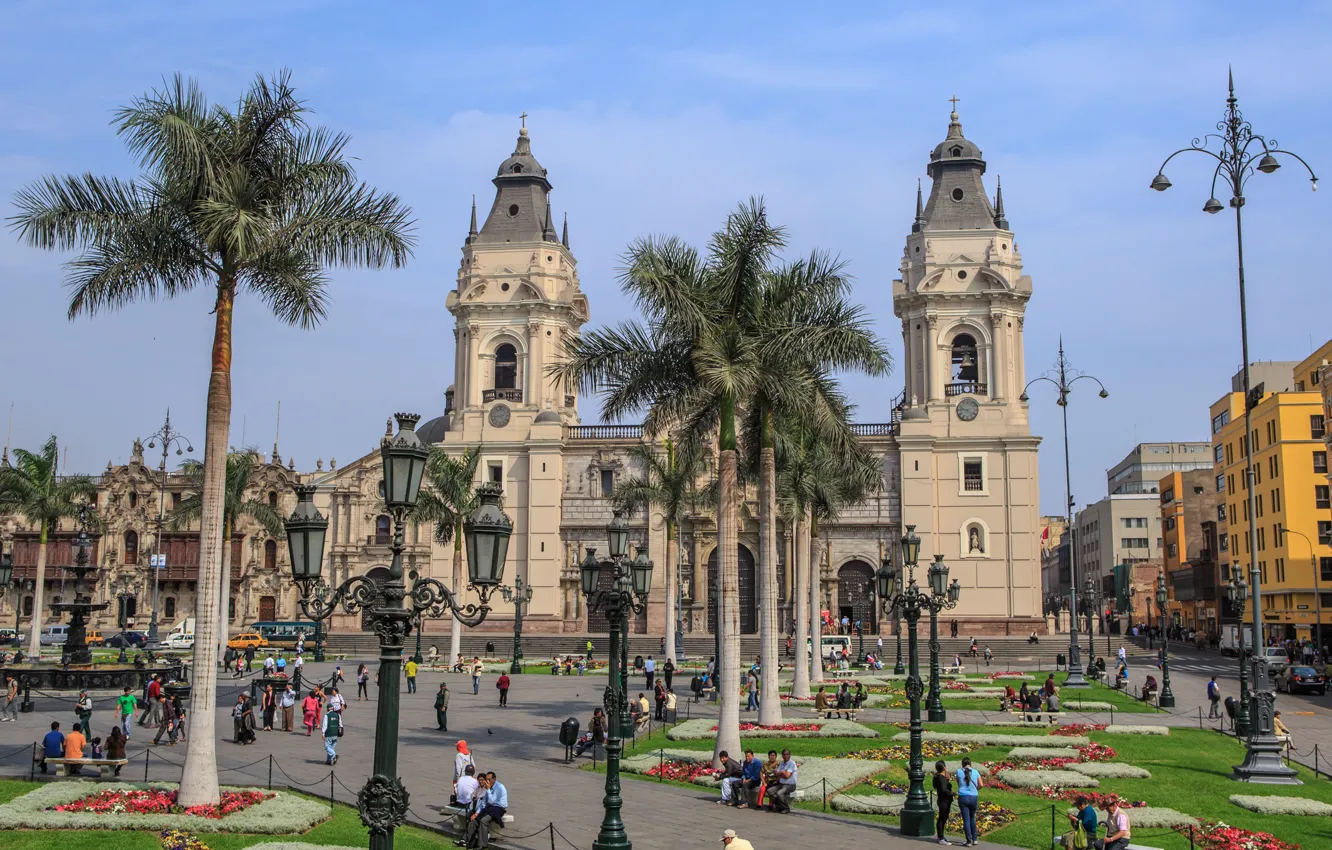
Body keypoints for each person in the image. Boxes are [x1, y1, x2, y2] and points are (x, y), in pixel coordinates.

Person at [465, 771, 508, 849]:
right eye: (486, 779)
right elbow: (483, 802)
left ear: (494, 779)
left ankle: (482, 844)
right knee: (474, 820)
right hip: (489, 807)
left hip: (498, 808)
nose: (487, 781)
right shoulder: (488, 787)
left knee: (484, 820)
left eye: (489, 779)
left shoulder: (500, 787)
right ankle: (470, 841)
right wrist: (476, 813)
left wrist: (488, 789)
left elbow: (492, 801)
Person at [955, 757, 981, 846]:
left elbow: (958, 783)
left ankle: (968, 841)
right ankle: (975, 839)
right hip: (973, 796)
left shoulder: (958, 772)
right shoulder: (975, 772)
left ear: (962, 764)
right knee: (972, 818)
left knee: (966, 819)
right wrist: (975, 789)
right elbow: (981, 784)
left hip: (963, 797)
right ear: (970, 763)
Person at [769, 749, 798, 813]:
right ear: (782, 755)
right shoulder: (782, 763)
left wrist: (781, 774)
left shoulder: (792, 764)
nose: (785, 756)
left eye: (787, 754)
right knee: (770, 791)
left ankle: (786, 808)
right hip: (781, 784)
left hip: (790, 785)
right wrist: (782, 773)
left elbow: (787, 776)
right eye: (784, 754)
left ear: (789, 755)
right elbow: (776, 774)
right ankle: (779, 806)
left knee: (779, 793)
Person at [933, 760, 954, 845]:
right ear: (944, 768)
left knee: (943, 818)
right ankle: (941, 838)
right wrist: (953, 793)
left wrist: (947, 780)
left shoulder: (938, 777)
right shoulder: (941, 778)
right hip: (944, 800)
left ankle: (941, 836)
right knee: (942, 819)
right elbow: (944, 790)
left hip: (942, 800)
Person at [321, 701, 341, 765]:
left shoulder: (327, 715)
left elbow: (325, 725)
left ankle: (334, 756)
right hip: (335, 733)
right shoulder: (338, 715)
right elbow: (340, 724)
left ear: (327, 709)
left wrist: (323, 733)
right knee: (331, 747)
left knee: (327, 747)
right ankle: (329, 760)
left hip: (329, 733)